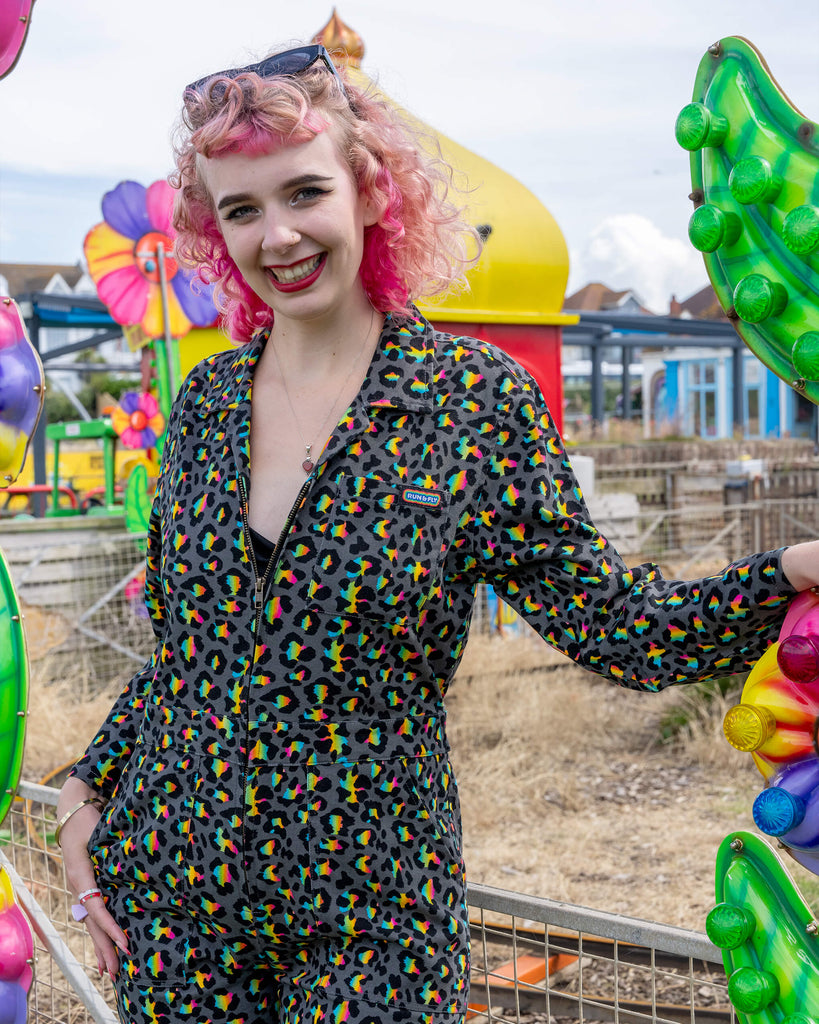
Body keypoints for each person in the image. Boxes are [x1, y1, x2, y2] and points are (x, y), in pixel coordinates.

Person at [57, 42, 819, 1024]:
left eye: (303, 192)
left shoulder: (470, 403)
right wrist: (86, 785)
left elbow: (619, 623)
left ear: (371, 190)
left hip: (370, 917)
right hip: (175, 899)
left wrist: (786, 572)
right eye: (242, 209)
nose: (277, 234)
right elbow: (189, 653)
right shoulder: (207, 404)